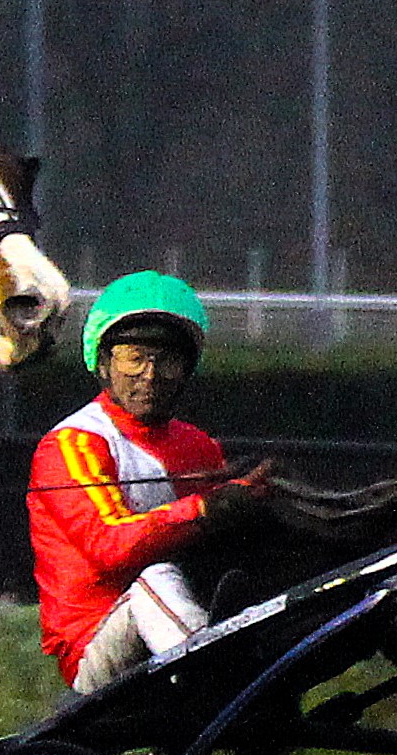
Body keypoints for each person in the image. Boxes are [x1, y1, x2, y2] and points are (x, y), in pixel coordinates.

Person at [30, 272, 269, 691]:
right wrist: (206, 508)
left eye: (167, 360)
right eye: (134, 357)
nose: (151, 374)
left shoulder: (198, 446)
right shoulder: (72, 445)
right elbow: (110, 547)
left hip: (178, 623)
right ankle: (217, 678)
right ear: (103, 364)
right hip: (95, 652)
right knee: (155, 580)